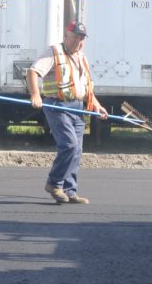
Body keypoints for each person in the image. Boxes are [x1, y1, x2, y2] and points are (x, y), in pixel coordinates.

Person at [27, 21, 109, 204]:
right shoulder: (54, 52)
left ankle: (70, 191)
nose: (78, 41)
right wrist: (35, 95)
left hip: (78, 107)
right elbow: (32, 72)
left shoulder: (82, 57)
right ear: (66, 36)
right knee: (69, 145)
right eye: (75, 37)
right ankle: (54, 183)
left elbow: (86, 86)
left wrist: (96, 104)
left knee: (77, 151)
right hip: (57, 105)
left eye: (82, 38)